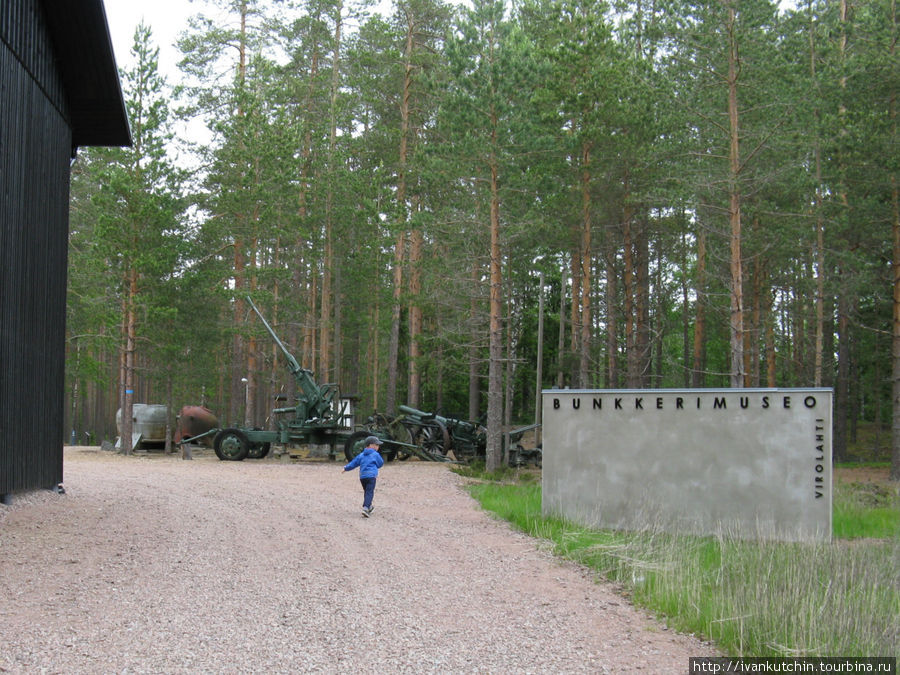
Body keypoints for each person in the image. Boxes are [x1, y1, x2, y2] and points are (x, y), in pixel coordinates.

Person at [342, 435, 385, 517]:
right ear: (371, 445)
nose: (378, 447)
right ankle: (365, 508)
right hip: (372, 476)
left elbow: (354, 463)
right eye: (377, 445)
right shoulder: (375, 454)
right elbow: (381, 463)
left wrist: (346, 468)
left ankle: (369, 506)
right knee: (369, 492)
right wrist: (376, 466)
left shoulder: (361, 455)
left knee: (367, 491)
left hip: (362, 477)